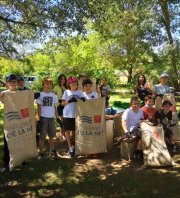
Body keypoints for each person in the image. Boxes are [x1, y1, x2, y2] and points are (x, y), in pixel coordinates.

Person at [61, 76, 85, 157]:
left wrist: (82, 99)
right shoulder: (66, 92)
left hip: (77, 114)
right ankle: (70, 147)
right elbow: (62, 104)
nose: (74, 85)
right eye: (72, 84)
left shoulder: (80, 92)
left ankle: (76, 147)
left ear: (77, 84)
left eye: (75, 84)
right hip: (67, 114)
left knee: (76, 131)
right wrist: (69, 101)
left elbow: (85, 101)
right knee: (67, 131)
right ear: (69, 84)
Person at [36, 77, 59, 160]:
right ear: (43, 85)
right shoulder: (40, 95)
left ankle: (52, 151)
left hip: (51, 118)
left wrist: (57, 117)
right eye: (47, 84)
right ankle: (40, 153)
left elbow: (54, 107)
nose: (49, 85)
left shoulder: (54, 95)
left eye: (50, 84)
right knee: (42, 137)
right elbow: (39, 107)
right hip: (43, 118)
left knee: (51, 136)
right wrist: (38, 117)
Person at [0, 74, 17, 172]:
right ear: (7, 83)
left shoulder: (20, 93)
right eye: (11, 81)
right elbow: (2, 101)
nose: (13, 83)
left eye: (14, 81)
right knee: (7, 141)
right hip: (9, 121)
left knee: (19, 139)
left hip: (19, 121)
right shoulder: (4, 93)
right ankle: (6, 163)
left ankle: (19, 159)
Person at [121, 96, 144, 161]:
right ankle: (138, 151)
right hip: (130, 130)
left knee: (147, 133)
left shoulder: (140, 110)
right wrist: (126, 131)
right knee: (144, 135)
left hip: (137, 128)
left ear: (139, 104)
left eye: (137, 103)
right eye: (134, 103)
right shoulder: (128, 111)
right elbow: (123, 121)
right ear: (131, 104)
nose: (136, 105)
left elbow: (141, 120)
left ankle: (138, 150)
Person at [53, 74, 67, 140]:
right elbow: (54, 97)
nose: (62, 80)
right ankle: (63, 135)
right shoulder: (56, 87)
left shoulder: (66, 87)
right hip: (59, 106)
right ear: (59, 80)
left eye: (63, 79)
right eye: (61, 79)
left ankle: (63, 133)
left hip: (66, 105)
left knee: (65, 121)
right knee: (63, 120)